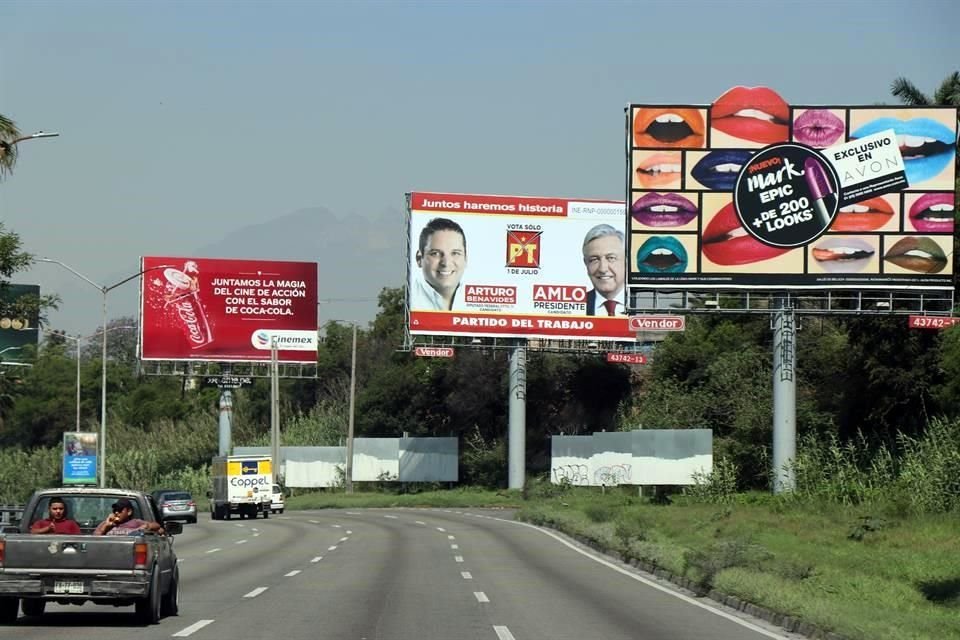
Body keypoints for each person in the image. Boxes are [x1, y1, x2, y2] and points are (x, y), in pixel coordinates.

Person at [410, 217, 467, 311]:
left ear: (466, 259)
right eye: (435, 253)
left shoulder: (478, 301)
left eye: (455, 253)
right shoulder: (409, 300)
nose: (446, 263)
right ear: (419, 258)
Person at [582, 224, 626, 316]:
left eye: (611, 258)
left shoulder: (645, 303)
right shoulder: (576, 306)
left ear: (627, 261)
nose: (602, 269)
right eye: (594, 259)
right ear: (586, 263)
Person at [94, 497, 164, 536]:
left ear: (129, 512)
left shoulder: (136, 522)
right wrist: (106, 527)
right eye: (115, 510)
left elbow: (157, 526)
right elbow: (95, 539)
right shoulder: (106, 523)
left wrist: (145, 527)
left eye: (120, 510)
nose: (116, 512)